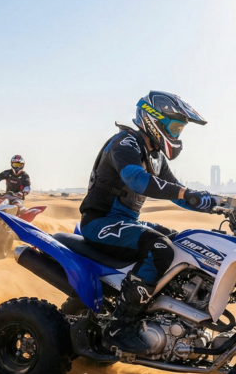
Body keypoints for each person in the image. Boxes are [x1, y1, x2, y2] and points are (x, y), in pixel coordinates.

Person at [79, 91, 215, 354]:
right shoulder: (125, 142)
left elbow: (176, 190)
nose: (177, 135)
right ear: (154, 121)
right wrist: (185, 194)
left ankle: (162, 312)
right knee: (159, 248)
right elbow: (136, 179)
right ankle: (119, 325)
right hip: (100, 223)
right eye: (174, 128)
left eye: (180, 129)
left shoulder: (155, 156)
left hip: (123, 223)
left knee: (180, 240)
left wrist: (212, 203)